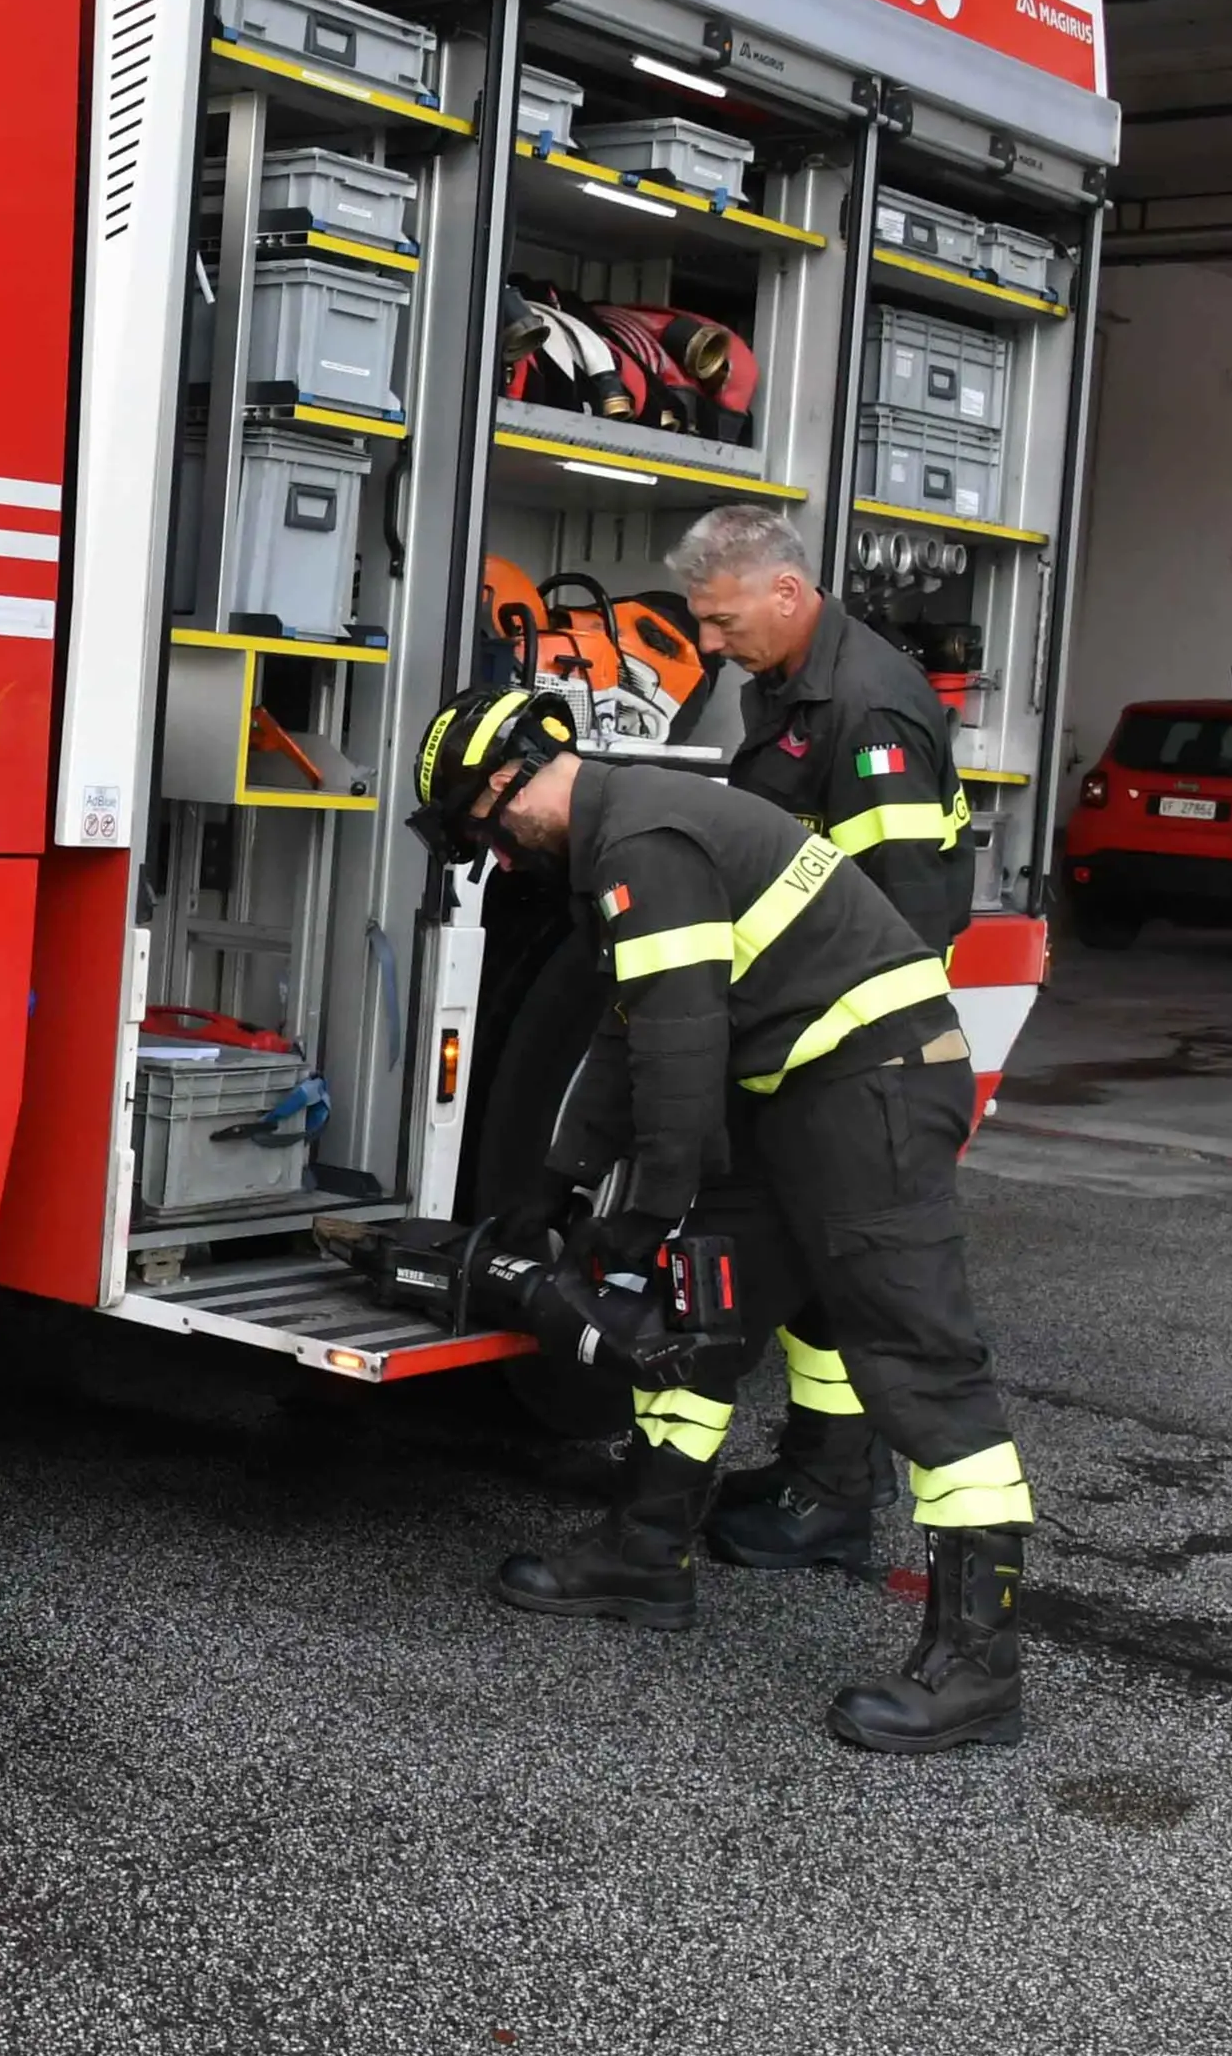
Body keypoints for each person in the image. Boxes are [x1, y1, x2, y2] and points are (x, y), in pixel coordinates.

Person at [413, 683, 1036, 1754]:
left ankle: (978, 1665)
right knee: (706, 1308)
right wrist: (558, 1186)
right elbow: (629, 1027)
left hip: (870, 1089)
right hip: (802, 1089)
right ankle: (644, 1552)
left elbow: (678, 1054)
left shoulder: (642, 841)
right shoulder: (622, 833)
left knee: (917, 1359)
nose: (497, 855)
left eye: (487, 828)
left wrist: (639, 1211)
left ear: (513, 779)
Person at [661, 505, 974, 1574]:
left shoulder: (869, 708)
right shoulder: (794, 688)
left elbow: (900, 915)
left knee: (852, 1278)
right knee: (806, 1265)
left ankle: (834, 1491)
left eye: (719, 619)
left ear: (784, 594)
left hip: (852, 1053)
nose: (707, 643)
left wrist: (848, 1069)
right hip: (807, 1041)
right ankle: (823, 1470)